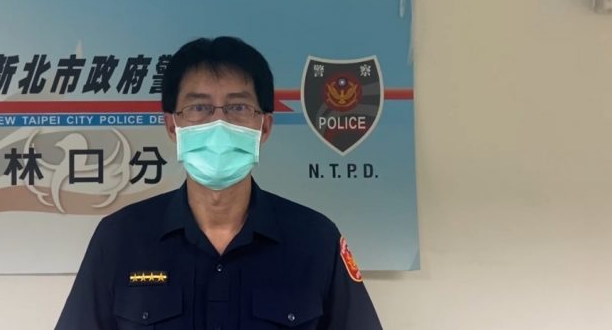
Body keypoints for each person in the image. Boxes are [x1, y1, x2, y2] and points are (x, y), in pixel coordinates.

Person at [56, 36, 382, 329]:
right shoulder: (120, 238)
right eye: (199, 107)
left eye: (238, 107)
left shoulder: (316, 241)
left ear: (264, 127)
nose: (219, 122)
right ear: (172, 126)